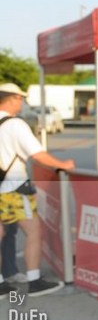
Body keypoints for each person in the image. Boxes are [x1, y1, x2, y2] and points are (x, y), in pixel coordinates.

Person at [0, 83, 75, 299]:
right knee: (33, 231)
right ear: (13, 99)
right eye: (20, 98)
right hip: (13, 188)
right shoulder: (15, 125)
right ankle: (34, 282)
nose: (22, 102)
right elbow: (37, 154)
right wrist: (63, 164)